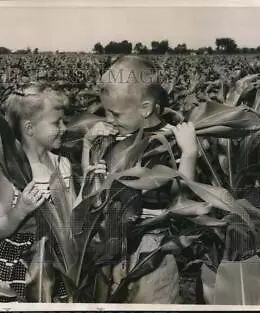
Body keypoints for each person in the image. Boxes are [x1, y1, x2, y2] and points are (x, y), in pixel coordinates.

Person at [82, 55, 198, 303]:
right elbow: (92, 189)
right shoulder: (117, 137)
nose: (108, 120)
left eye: (115, 114)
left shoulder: (168, 142)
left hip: (153, 251)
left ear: (145, 109)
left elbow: (184, 199)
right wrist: (87, 146)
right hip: (113, 245)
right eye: (105, 112)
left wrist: (189, 154)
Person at [0, 82, 106, 303]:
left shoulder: (62, 164)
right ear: (29, 129)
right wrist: (20, 210)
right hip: (19, 266)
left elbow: (73, 218)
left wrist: (90, 184)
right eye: (57, 122)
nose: (65, 128)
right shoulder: (10, 175)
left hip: (58, 259)